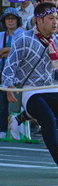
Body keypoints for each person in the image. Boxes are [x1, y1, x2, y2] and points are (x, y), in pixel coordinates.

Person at [3, 2, 58, 177]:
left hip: (50, 87)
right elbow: (10, 66)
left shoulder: (57, 40)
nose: (55, 22)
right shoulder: (24, 39)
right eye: (51, 18)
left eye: (56, 18)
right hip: (29, 90)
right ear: (39, 20)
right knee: (48, 120)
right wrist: (9, 86)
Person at [0, 8, 25, 138]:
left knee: (16, 104)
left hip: (17, 75)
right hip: (2, 73)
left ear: (17, 21)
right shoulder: (1, 35)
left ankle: (17, 132)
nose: (10, 21)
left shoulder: (22, 33)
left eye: (13, 18)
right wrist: (7, 51)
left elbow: (19, 52)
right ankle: (3, 130)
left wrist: (4, 50)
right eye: (7, 18)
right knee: (2, 105)